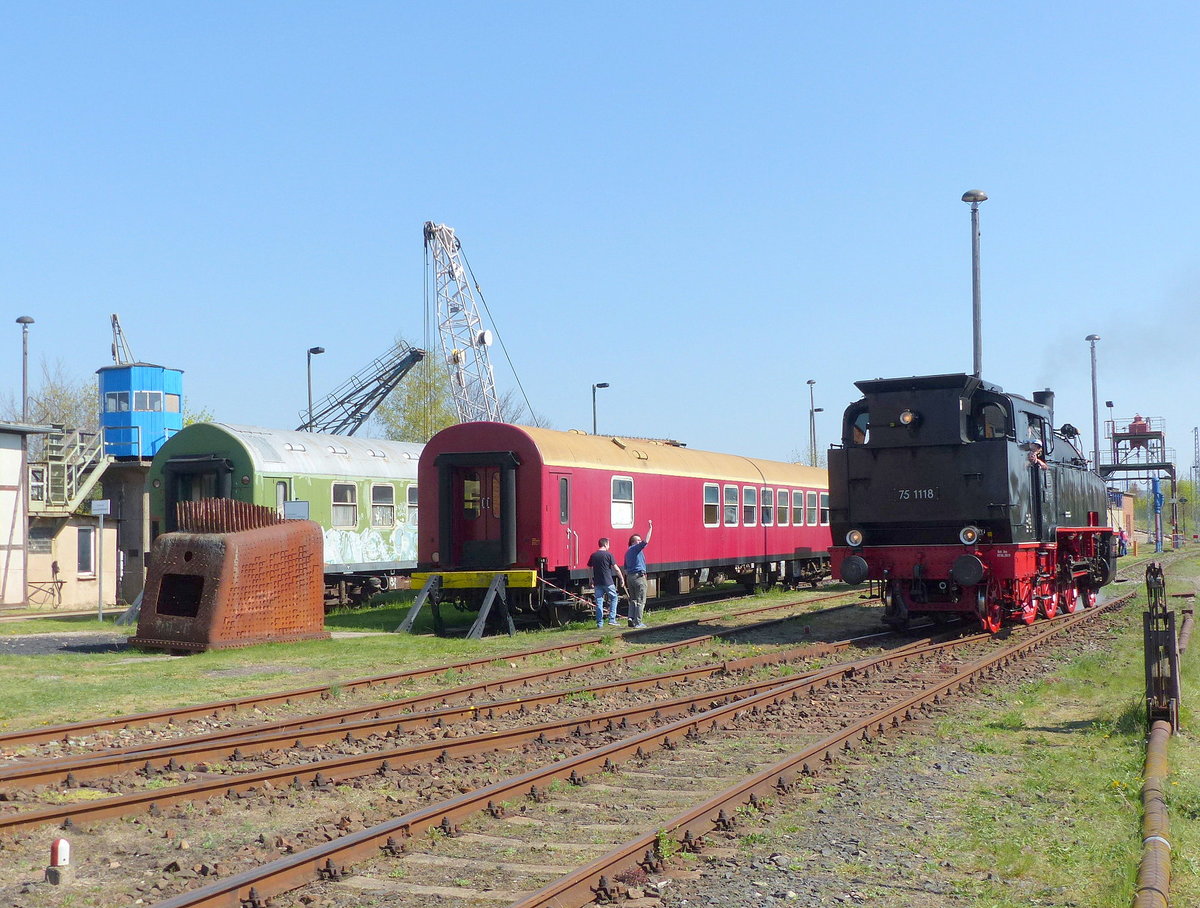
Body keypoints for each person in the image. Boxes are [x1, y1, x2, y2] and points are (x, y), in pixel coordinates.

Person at [623, 520, 654, 628]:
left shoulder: (627, 552)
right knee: (641, 600)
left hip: (630, 577)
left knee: (633, 600)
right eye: (638, 540)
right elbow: (646, 541)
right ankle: (638, 622)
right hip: (639, 577)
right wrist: (650, 528)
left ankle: (631, 618)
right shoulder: (635, 549)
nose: (640, 541)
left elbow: (625, 569)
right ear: (633, 542)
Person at [587, 537, 623, 628]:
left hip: (597, 583)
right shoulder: (609, 555)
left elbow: (589, 568)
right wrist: (622, 578)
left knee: (599, 602)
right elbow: (616, 569)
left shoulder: (593, 555)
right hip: (608, 582)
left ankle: (599, 623)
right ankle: (612, 619)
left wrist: (590, 580)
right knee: (614, 598)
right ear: (606, 544)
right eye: (608, 544)